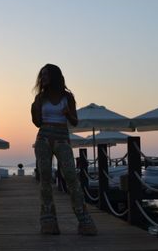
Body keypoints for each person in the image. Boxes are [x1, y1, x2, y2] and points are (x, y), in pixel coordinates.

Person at [31, 64, 97, 236]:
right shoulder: (40, 97)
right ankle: (48, 221)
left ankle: (84, 220)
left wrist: (67, 113)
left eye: (46, 74)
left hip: (62, 137)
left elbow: (74, 121)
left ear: (54, 76)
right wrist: (34, 110)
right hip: (43, 137)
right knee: (45, 178)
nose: (43, 77)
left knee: (71, 177)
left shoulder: (67, 97)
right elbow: (37, 122)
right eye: (42, 75)